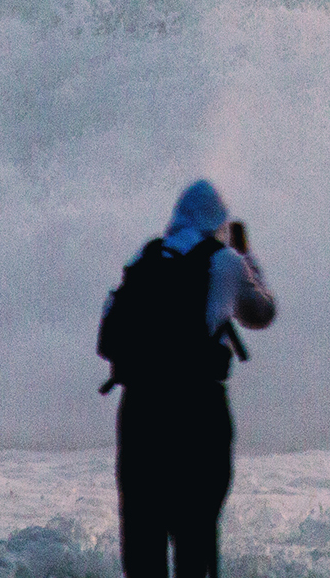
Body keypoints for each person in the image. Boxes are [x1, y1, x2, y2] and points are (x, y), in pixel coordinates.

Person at [99, 180, 276, 578]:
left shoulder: (143, 258)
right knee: (194, 540)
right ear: (218, 221)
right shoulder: (226, 261)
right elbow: (260, 313)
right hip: (197, 412)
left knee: (143, 543)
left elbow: (109, 328)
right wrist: (248, 256)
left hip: (139, 412)